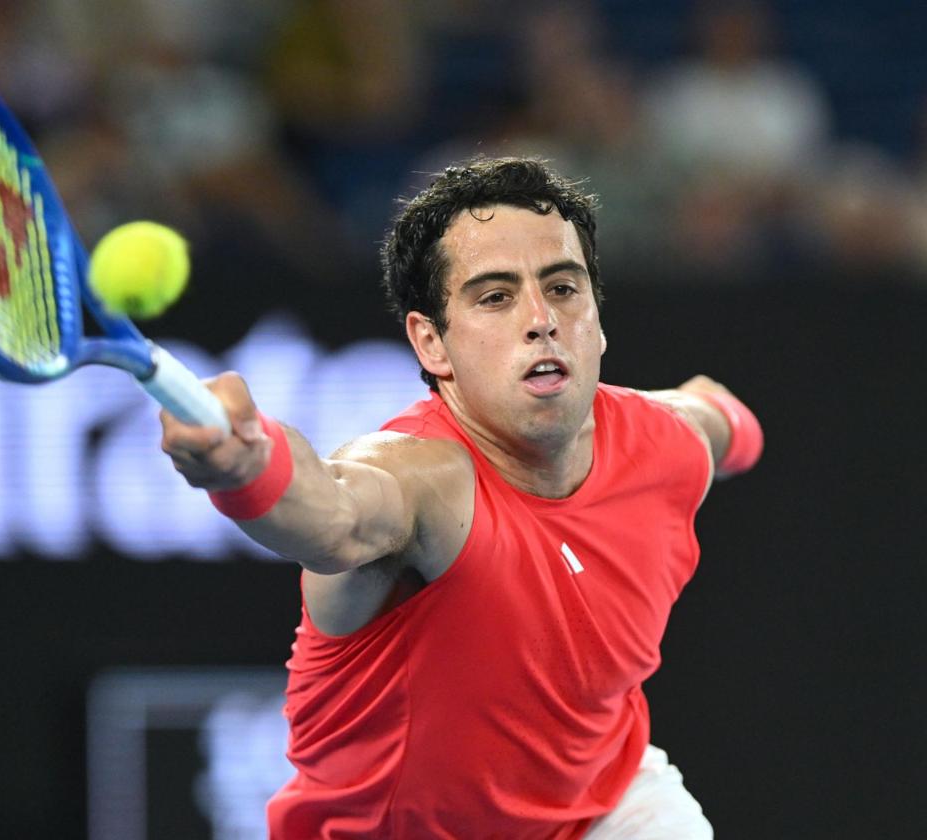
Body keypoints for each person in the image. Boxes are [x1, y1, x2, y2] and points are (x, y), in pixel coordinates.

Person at [159, 157, 763, 839]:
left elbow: (720, 416)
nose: (541, 319)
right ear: (431, 342)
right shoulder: (421, 482)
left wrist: (739, 435)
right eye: (495, 296)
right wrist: (245, 467)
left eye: (563, 287)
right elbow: (331, 515)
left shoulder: (669, 440)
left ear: (596, 319)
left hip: (607, 804)